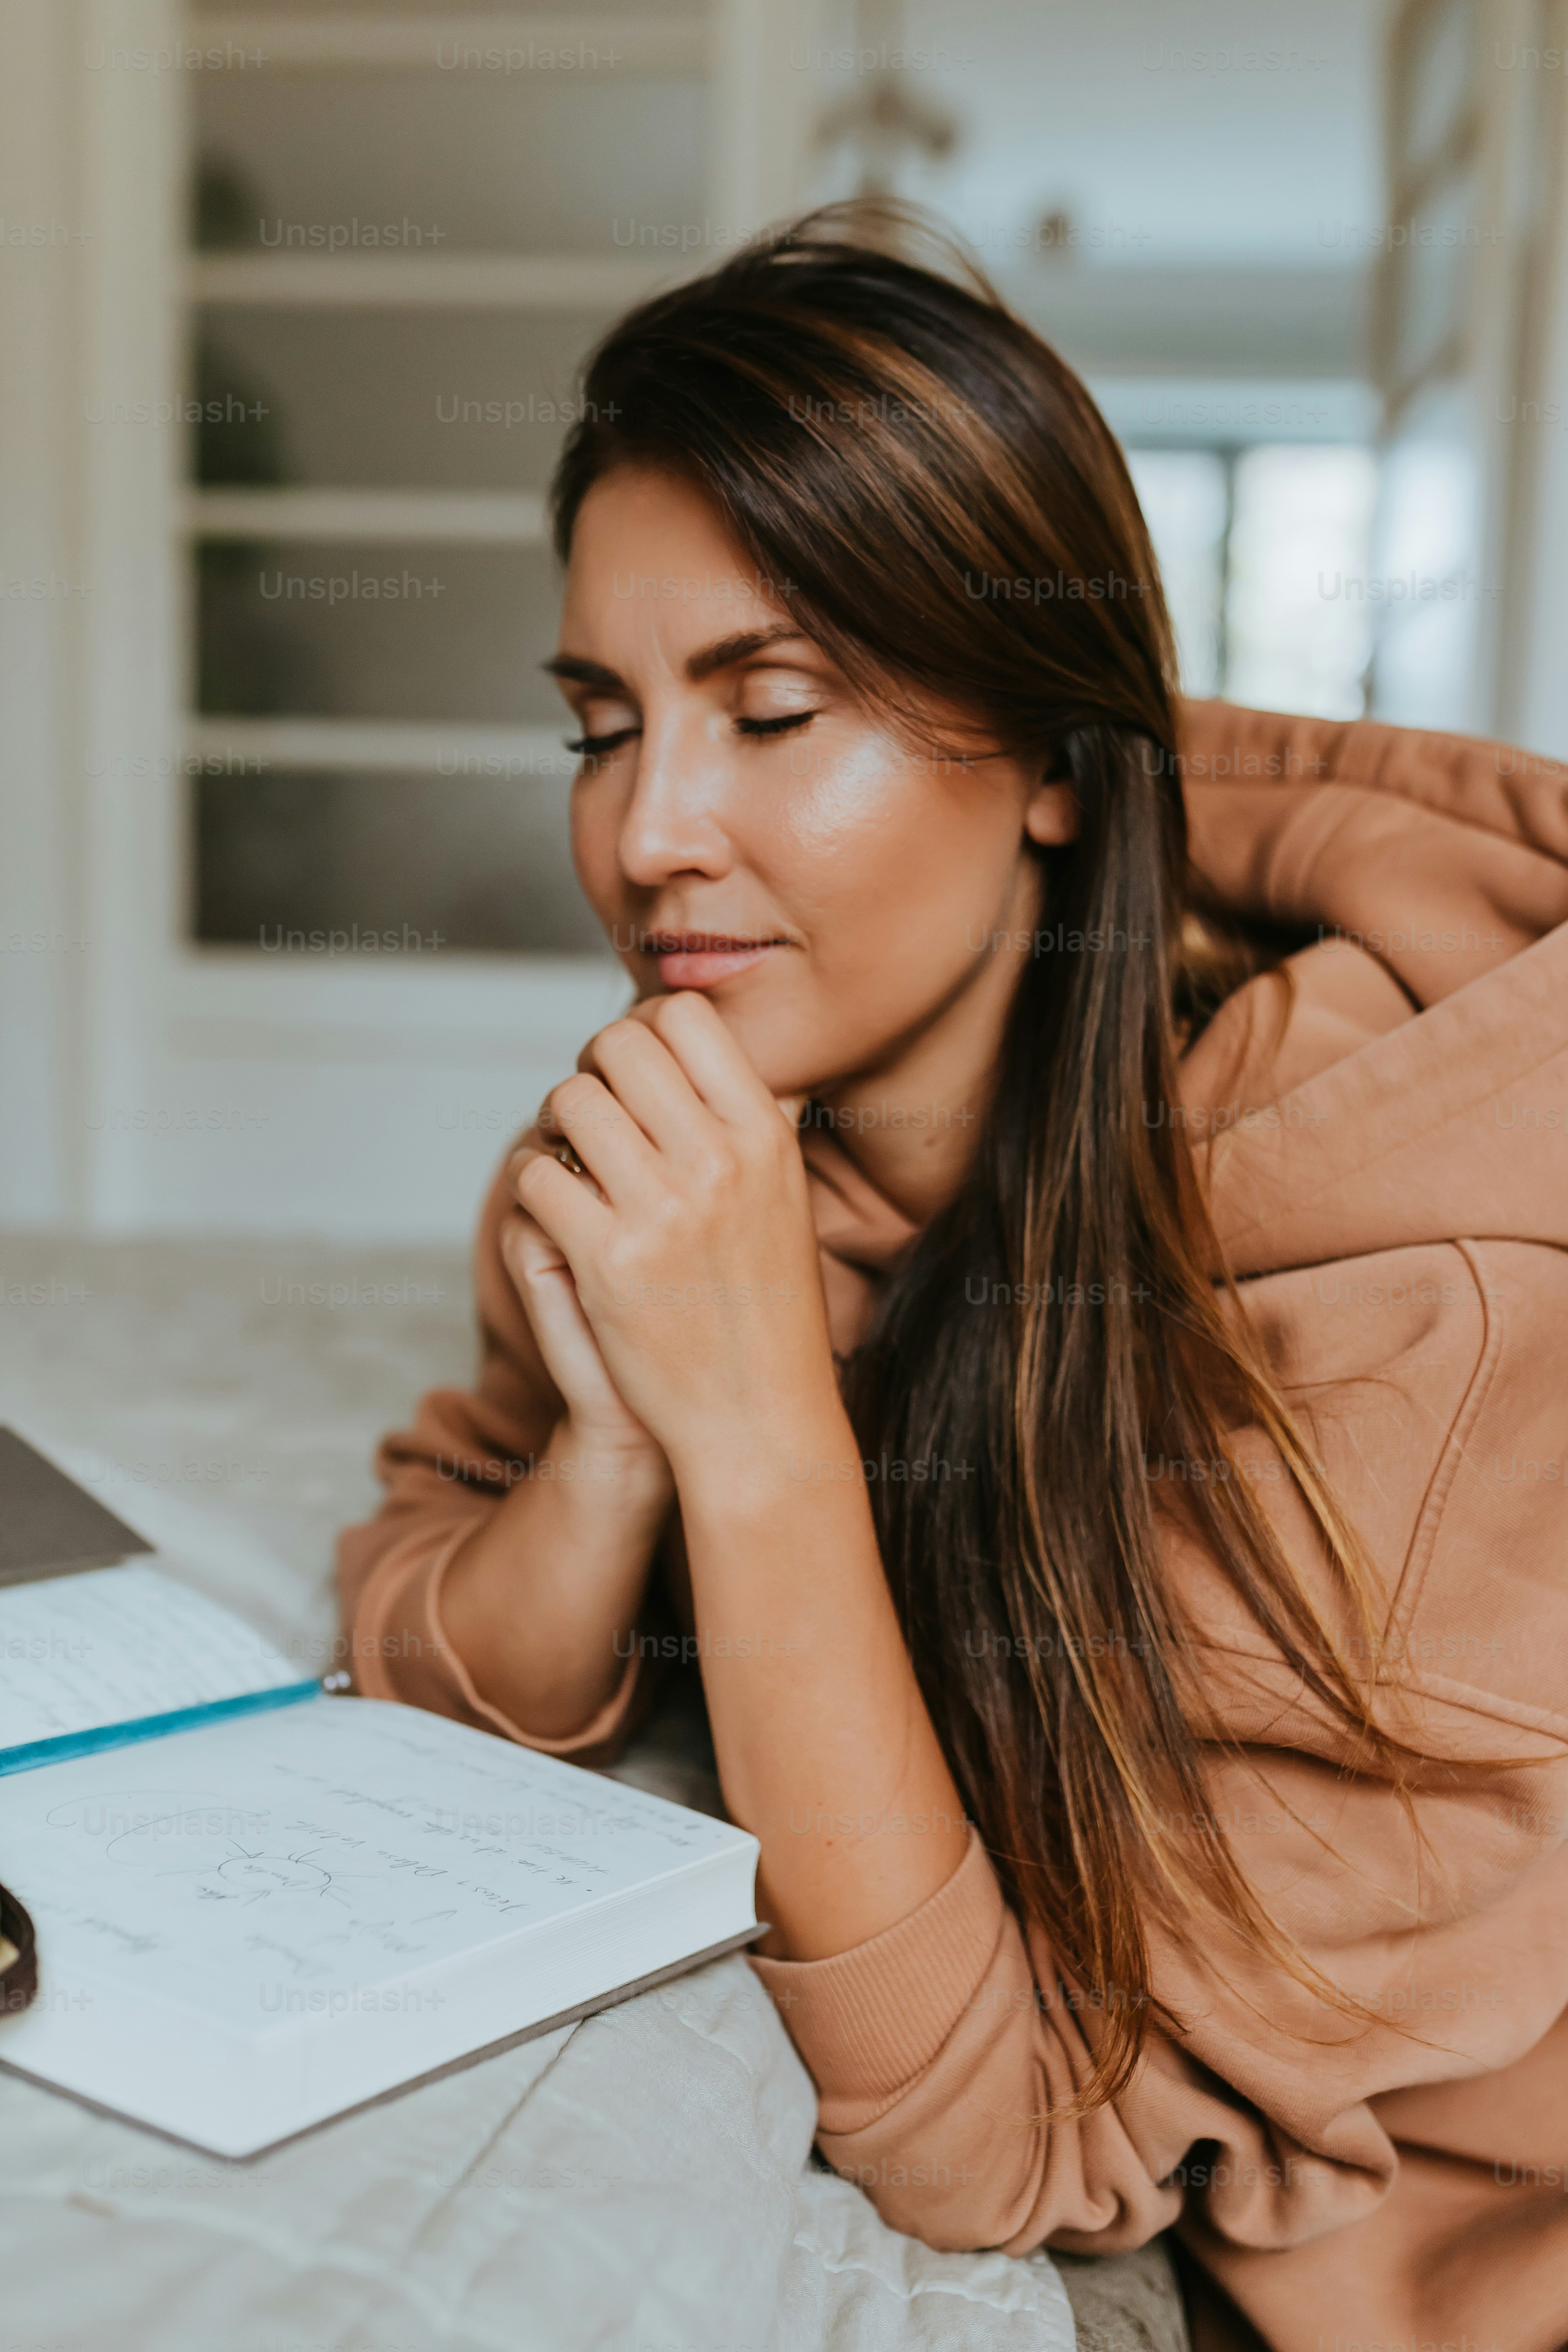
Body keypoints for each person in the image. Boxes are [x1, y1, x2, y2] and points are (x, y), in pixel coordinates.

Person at [338, 207, 1568, 2352]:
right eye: (600, 725)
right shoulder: (697, 1155)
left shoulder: (1414, 1289)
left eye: (776, 705)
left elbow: (1009, 2143)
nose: (645, 837)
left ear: (1063, 775)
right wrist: (626, 1436)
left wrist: (752, 1423)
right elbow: (443, 1643)